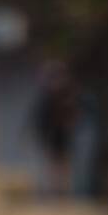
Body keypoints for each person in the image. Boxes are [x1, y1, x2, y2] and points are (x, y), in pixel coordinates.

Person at [33, 63, 76, 197]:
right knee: (54, 162)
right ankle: (56, 189)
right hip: (53, 134)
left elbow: (73, 114)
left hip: (63, 133)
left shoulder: (65, 94)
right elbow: (40, 118)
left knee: (62, 162)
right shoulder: (48, 97)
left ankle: (62, 190)